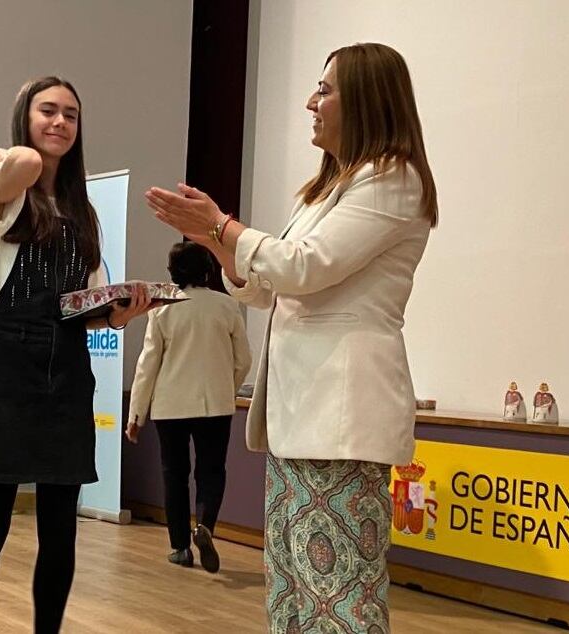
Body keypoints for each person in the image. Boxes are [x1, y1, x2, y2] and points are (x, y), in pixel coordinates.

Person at [146, 43, 438, 632]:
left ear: (365, 99)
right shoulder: (330, 189)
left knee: (340, 599)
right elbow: (272, 286)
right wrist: (215, 244)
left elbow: (305, 267)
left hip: (340, 416)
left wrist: (223, 225)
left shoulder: (392, 178)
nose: (311, 101)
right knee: (295, 591)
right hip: (300, 415)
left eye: (325, 89)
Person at [0, 76, 152, 634]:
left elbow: (76, 306)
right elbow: (25, 166)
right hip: (4, 367)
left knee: (60, 526)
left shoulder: (84, 211)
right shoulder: (1, 183)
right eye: (48, 111)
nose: (61, 122)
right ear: (24, 117)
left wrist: (118, 311)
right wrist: (14, 152)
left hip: (66, 369)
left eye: (71, 115)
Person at [125, 241, 251, 572]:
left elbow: (147, 365)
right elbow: (244, 360)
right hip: (216, 404)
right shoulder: (227, 307)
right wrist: (227, 387)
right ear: (209, 271)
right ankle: (205, 525)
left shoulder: (163, 310)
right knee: (211, 471)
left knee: (175, 475)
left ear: (173, 274)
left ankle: (180, 546)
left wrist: (136, 415)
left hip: (170, 408)